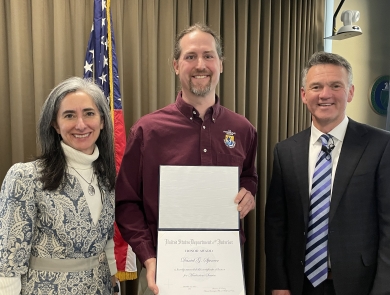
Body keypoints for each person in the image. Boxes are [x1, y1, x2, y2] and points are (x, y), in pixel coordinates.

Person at [115, 23, 258, 295]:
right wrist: (148, 256)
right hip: (164, 272)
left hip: (223, 270)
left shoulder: (243, 129)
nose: (200, 64)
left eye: (208, 56)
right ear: (176, 65)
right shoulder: (147, 131)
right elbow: (126, 203)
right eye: (190, 56)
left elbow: (249, 175)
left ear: (221, 64)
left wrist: (249, 191)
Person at [265, 51, 390, 295]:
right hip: (300, 284)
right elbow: (276, 225)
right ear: (304, 94)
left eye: (336, 86)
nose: (325, 94)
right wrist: (278, 284)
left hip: (360, 285)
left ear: (350, 92)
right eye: (316, 87)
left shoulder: (381, 146)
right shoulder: (285, 151)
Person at [0, 77, 120, 294]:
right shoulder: (25, 177)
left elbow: (106, 241)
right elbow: (8, 261)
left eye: (89, 113)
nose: (81, 124)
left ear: (102, 121)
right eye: (69, 115)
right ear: (55, 124)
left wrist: (114, 283)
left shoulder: (106, 177)